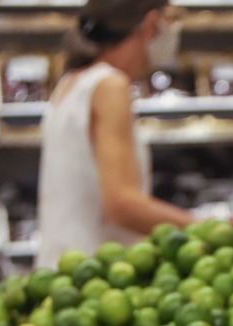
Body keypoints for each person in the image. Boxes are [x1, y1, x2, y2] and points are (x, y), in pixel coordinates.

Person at [36, 0, 194, 268]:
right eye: (171, 19)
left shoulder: (72, 80)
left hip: (63, 271)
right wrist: (210, 230)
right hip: (95, 278)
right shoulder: (110, 86)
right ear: (151, 23)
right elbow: (122, 204)